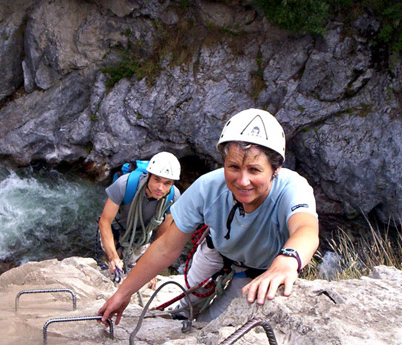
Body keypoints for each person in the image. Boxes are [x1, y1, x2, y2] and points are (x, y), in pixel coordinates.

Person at [98, 108, 319, 324]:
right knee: (187, 305)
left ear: (276, 168)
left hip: (258, 269)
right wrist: (123, 293)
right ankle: (181, 318)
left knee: (213, 322)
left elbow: (305, 229)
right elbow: (166, 247)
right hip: (215, 251)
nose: (242, 181)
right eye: (233, 167)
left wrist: (288, 260)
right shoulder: (208, 187)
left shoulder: (292, 188)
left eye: (254, 170)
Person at [96, 151, 182, 289]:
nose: (161, 188)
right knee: (113, 263)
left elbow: (161, 236)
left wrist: (152, 267)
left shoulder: (173, 197)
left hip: (141, 236)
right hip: (116, 229)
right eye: (157, 180)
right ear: (148, 176)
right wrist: (113, 257)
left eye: (167, 183)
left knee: (135, 268)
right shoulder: (124, 185)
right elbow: (104, 222)